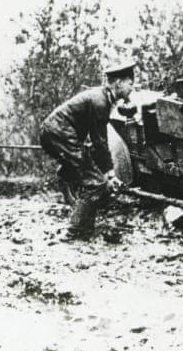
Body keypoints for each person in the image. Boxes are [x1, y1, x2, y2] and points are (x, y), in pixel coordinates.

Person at [39, 61, 136, 241]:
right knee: (96, 183)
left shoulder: (102, 97)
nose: (132, 88)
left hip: (54, 133)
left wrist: (107, 172)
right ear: (118, 83)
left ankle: (85, 229)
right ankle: (74, 232)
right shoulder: (100, 102)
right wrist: (110, 174)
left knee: (91, 176)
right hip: (60, 134)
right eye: (130, 83)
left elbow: (97, 143)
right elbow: (100, 142)